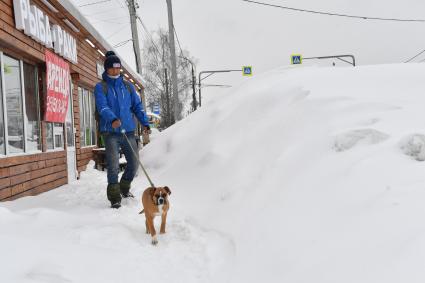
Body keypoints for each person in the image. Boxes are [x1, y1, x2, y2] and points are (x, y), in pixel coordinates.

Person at [94, 51, 150, 209]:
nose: (116, 71)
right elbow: (102, 106)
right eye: (112, 68)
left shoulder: (128, 86)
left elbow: (137, 107)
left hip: (128, 131)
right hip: (110, 132)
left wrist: (145, 123)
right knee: (113, 165)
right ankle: (114, 196)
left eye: (118, 68)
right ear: (107, 69)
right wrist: (112, 119)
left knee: (133, 163)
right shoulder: (101, 87)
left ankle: (124, 188)